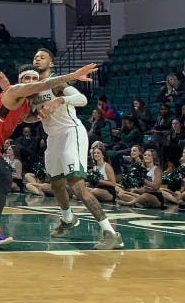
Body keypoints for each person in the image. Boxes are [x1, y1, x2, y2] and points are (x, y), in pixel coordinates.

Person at [0, 63, 99, 247]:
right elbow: (38, 87)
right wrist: (72, 75)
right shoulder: (15, 91)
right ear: (21, 82)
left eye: (35, 78)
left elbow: (30, 115)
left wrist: (45, 112)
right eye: (27, 79)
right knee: (4, 177)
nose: (32, 82)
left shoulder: (26, 104)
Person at [27, 49, 123, 249]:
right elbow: (32, 116)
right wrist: (33, 116)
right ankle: (68, 219)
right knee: (56, 185)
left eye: (42, 57)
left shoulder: (57, 83)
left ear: (51, 64)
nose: (37, 59)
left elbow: (82, 100)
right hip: (53, 138)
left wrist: (60, 100)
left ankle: (111, 233)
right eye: (35, 57)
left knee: (77, 186)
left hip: (71, 133)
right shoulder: (34, 90)